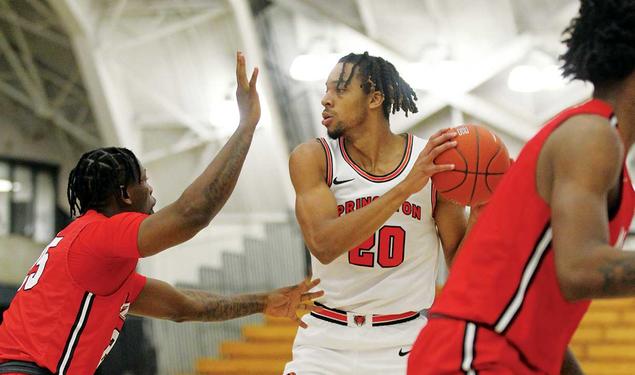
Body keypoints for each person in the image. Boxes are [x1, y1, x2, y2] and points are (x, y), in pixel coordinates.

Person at [0, 52, 323, 375]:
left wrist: (265, 301)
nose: (152, 192)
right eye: (145, 182)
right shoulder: (98, 235)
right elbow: (191, 214)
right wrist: (246, 126)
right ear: (125, 195)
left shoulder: (103, 265)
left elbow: (185, 307)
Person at [407, 1, 635, 374]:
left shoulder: (610, 162)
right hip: (471, 353)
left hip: (496, 353)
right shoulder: (591, 135)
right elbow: (580, 271)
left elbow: (536, 309)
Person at [284, 52, 477, 375]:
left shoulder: (432, 162)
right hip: (325, 341)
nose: (325, 100)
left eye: (339, 90)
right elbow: (323, 244)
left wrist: (483, 205)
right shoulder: (313, 158)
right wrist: (406, 186)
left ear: (374, 98)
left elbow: (461, 266)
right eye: (326, 89)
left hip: (404, 340)